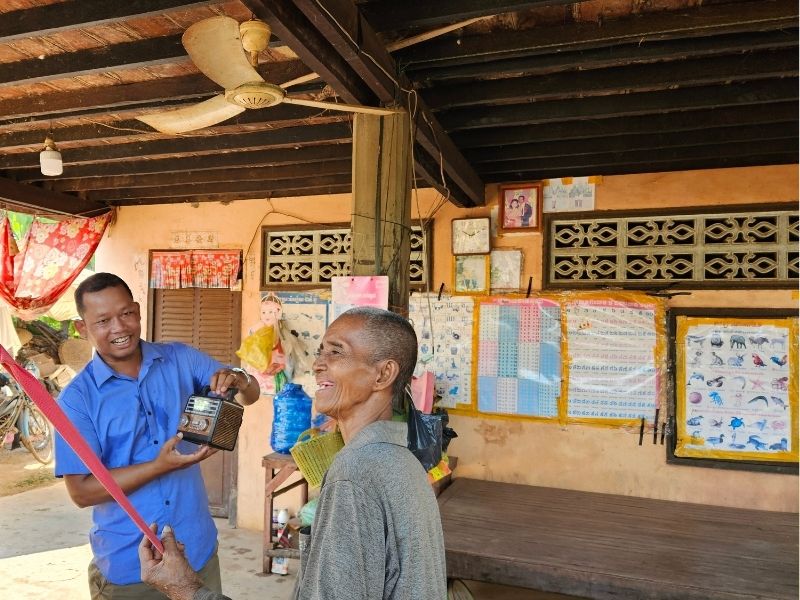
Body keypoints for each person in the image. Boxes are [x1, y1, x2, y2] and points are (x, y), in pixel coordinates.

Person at [139, 307, 447, 600]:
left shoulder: (356, 474)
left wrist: (187, 589)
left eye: (336, 352)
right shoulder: (402, 457)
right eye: (320, 352)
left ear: (383, 374)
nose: (317, 365)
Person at [54, 272, 260, 599]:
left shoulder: (180, 358)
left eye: (125, 314)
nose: (119, 328)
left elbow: (251, 394)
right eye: (103, 320)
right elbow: (81, 492)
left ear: (137, 311)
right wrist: (159, 466)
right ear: (83, 328)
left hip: (196, 550)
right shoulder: (77, 400)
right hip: (128, 566)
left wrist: (238, 378)